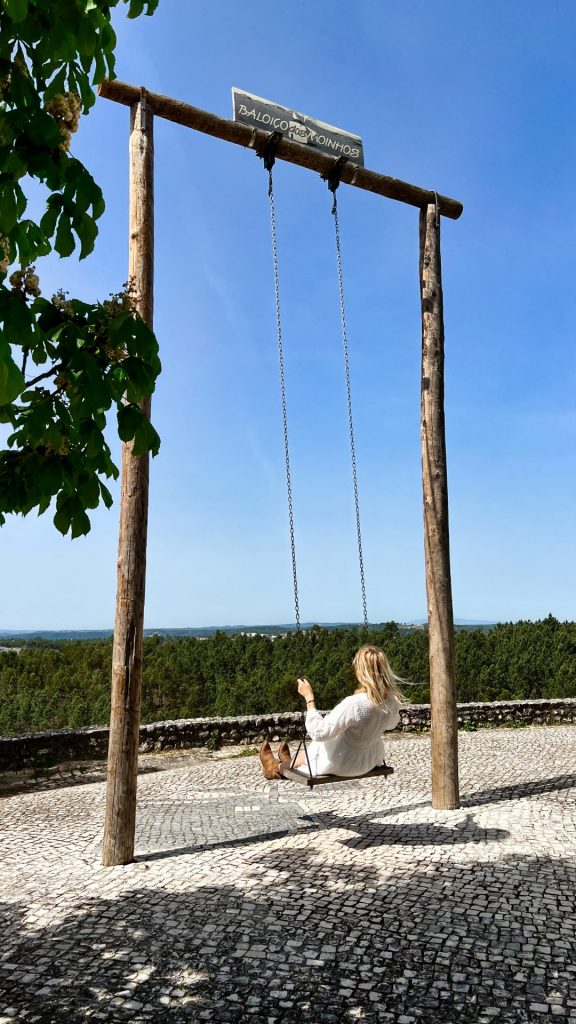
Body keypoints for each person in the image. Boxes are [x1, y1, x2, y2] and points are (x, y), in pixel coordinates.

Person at [259, 644, 406, 780]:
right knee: (322, 746)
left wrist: (309, 698)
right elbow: (392, 725)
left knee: (321, 743)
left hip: (341, 764)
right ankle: (290, 762)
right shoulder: (391, 702)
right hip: (369, 760)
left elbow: (320, 733)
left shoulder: (355, 704)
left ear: (361, 672)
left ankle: (275, 768)